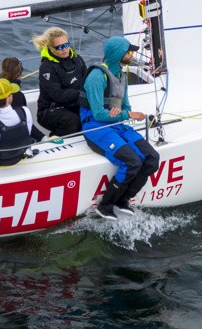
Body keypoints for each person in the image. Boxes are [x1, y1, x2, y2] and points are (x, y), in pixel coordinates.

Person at [79, 37, 160, 220]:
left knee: (152, 158)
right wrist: (125, 114)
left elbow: (126, 107)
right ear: (118, 54)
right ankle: (105, 205)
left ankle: (123, 199)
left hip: (116, 125)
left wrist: (122, 113)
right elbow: (99, 114)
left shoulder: (121, 76)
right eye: (129, 52)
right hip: (95, 127)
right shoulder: (96, 77)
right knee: (132, 162)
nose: (132, 55)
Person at [32, 27, 86, 138]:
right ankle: (53, 141)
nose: (65, 49)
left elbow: (87, 81)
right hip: (50, 109)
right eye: (60, 47)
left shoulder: (78, 60)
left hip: (74, 104)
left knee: (92, 116)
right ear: (51, 48)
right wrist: (81, 94)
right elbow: (58, 95)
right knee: (72, 122)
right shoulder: (47, 67)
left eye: (66, 45)